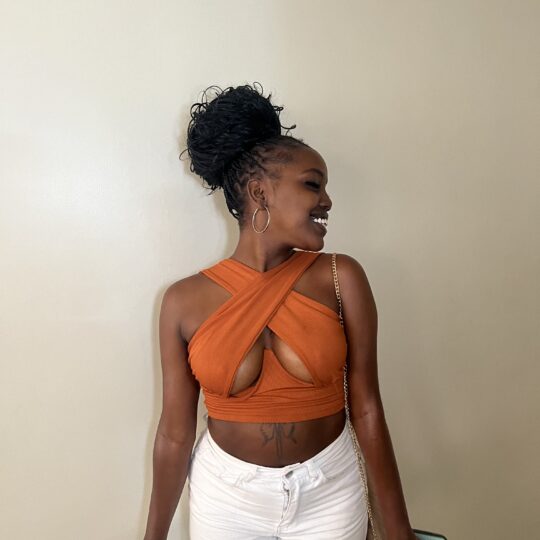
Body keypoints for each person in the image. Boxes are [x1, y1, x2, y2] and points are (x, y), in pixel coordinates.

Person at [143, 83, 416, 540]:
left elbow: (367, 409)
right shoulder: (182, 301)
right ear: (260, 192)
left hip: (330, 491)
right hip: (226, 499)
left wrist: (399, 529)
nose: (327, 201)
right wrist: (153, 537)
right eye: (312, 184)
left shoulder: (341, 277)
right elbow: (174, 434)